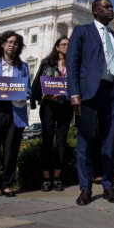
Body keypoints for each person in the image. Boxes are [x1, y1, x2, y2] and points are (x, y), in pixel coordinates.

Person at [66, 0, 114, 205]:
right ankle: (85, 188)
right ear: (95, 11)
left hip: (113, 95)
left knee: (109, 144)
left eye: (111, 6)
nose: (111, 9)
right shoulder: (82, 31)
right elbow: (72, 63)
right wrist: (74, 93)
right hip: (89, 93)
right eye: (106, 7)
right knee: (85, 142)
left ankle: (108, 186)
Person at [0, 31, 31, 199]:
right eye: (10, 42)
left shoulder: (23, 66)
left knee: (11, 149)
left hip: (15, 111)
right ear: (3, 44)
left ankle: (6, 184)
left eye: (16, 43)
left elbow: (29, 89)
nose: (13, 45)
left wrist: (26, 94)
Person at [30, 36, 73, 192]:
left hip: (66, 106)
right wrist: (43, 96)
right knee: (47, 141)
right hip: (49, 106)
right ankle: (46, 178)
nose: (66, 47)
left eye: (69, 44)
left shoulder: (73, 64)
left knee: (61, 142)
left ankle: (58, 177)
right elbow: (38, 83)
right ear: (57, 47)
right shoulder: (46, 63)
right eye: (63, 44)